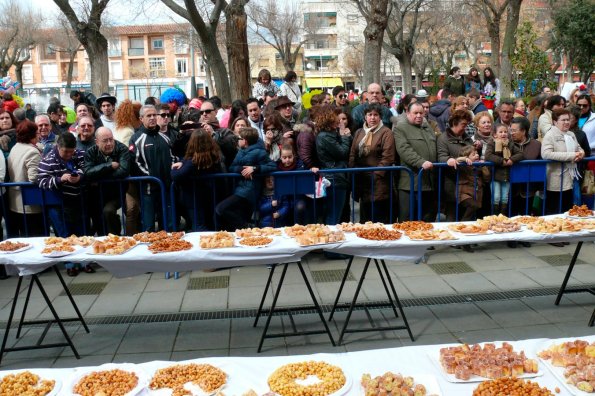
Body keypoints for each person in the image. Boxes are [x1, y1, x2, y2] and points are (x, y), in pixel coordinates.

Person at [37, 133, 93, 276]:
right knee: (64, 235)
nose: (69, 154)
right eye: (65, 151)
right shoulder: (48, 160)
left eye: (71, 151)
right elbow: (41, 181)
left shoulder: (80, 154)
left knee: (82, 233)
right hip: (58, 203)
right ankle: (70, 264)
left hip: (78, 200)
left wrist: (79, 176)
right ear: (58, 147)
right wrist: (59, 179)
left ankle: (85, 262)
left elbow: (86, 168)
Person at [215, 127, 276, 231]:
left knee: (220, 209)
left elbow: (272, 166)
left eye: (239, 139)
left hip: (249, 190)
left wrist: (255, 168)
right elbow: (232, 167)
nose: (238, 141)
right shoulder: (241, 152)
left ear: (245, 141)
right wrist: (240, 170)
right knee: (234, 214)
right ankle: (247, 229)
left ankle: (248, 226)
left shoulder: (259, 152)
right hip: (240, 188)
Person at [129, 105, 177, 231]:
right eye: (148, 116)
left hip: (166, 189)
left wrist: (171, 173)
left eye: (154, 115)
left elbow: (173, 157)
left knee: (168, 226)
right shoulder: (136, 139)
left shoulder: (165, 137)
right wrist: (151, 177)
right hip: (148, 191)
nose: (152, 118)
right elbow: (135, 163)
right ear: (141, 119)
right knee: (149, 227)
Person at [349, 103, 395, 223]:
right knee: (365, 220)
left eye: (376, 115)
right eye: (370, 115)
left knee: (378, 220)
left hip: (379, 184)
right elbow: (353, 153)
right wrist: (353, 172)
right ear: (365, 117)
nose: (373, 118)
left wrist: (376, 175)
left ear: (380, 117)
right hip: (362, 182)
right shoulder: (359, 132)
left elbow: (388, 158)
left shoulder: (386, 132)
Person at [171, 128, 225, 231]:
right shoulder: (215, 156)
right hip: (210, 197)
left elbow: (176, 176)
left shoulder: (193, 161)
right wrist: (183, 162)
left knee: (199, 227)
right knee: (209, 224)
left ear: (193, 143)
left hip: (194, 199)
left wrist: (174, 168)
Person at [394, 102, 437, 222]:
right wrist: (420, 162)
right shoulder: (400, 128)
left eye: (421, 113)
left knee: (427, 220)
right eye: (415, 113)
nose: (419, 116)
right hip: (410, 183)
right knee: (407, 220)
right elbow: (404, 149)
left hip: (429, 182)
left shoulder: (427, 128)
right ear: (408, 113)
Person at [83, 127, 130, 235]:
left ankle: (115, 237)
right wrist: (109, 166)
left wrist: (98, 176)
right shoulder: (91, 152)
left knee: (108, 211)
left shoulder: (122, 149)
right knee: (98, 219)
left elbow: (123, 171)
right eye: (105, 141)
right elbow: (88, 173)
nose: (109, 143)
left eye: (111, 139)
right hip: (97, 194)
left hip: (118, 192)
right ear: (97, 142)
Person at [541, 109, 585, 215]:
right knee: (554, 210)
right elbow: (546, 154)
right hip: (555, 178)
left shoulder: (571, 134)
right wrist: (571, 156)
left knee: (567, 209)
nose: (566, 122)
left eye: (568, 120)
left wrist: (581, 154)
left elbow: (579, 148)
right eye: (563, 120)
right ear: (555, 122)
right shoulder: (550, 135)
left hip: (570, 177)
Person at [315, 104, 352, 226]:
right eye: (337, 116)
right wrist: (344, 136)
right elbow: (342, 152)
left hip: (336, 176)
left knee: (335, 214)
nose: (339, 120)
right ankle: (330, 243)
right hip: (334, 177)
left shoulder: (329, 134)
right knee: (333, 215)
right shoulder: (325, 136)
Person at [437, 109, 475, 223]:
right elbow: (441, 156)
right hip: (451, 180)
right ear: (454, 123)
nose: (465, 127)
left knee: (469, 208)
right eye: (463, 124)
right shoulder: (443, 138)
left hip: (466, 179)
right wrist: (448, 160)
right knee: (452, 210)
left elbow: (472, 153)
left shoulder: (467, 138)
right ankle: (452, 238)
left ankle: (465, 236)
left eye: (467, 124)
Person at [6, 120, 41, 237]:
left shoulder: (16, 147)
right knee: (35, 238)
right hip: (30, 206)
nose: (39, 135)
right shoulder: (32, 152)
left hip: (15, 203)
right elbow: (34, 178)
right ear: (31, 135)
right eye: (37, 133)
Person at [485, 124, 523, 215]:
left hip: (506, 175)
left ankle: (503, 216)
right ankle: (494, 216)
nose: (503, 134)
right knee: (496, 197)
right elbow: (488, 156)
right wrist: (502, 161)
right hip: (495, 175)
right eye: (500, 132)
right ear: (495, 134)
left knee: (505, 197)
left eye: (505, 132)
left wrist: (511, 159)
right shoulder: (492, 143)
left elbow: (521, 154)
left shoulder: (510, 144)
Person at [510, 117, 541, 221]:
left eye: (514, 130)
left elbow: (540, 164)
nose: (511, 133)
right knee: (510, 217)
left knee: (526, 217)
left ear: (523, 131)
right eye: (511, 130)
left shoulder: (536, 145)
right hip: (511, 188)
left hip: (529, 189)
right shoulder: (507, 143)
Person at [199, 100, 238, 170]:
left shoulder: (225, 131)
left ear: (215, 112)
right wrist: (181, 134)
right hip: (200, 174)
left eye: (207, 111)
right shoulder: (196, 132)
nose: (204, 114)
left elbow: (231, 149)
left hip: (220, 174)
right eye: (201, 112)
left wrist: (214, 135)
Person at [455, 145, 487, 221]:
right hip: (463, 193)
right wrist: (465, 159)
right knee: (473, 206)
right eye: (473, 154)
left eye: (477, 153)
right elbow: (457, 160)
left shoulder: (478, 166)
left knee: (474, 208)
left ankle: (466, 224)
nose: (477, 155)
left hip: (476, 194)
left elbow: (487, 178)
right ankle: (463, 222)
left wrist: (484, 166)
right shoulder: (463, 165)